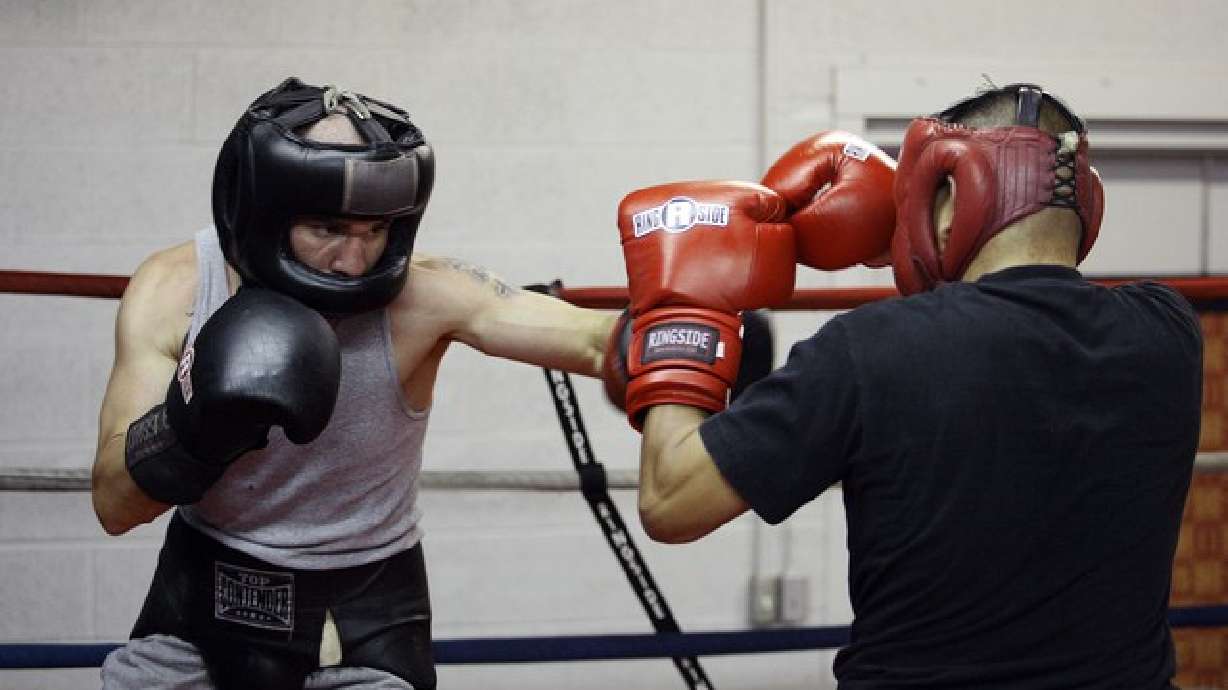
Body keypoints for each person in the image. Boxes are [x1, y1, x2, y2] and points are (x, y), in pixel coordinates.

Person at [613, 84, 1203, 688]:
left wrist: (683, 308)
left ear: (952, 194)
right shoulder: (1168, 333)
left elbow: (671, 500)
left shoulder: (870, 352)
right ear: (1086, 203)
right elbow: (1003, 354)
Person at [90, 77, 617, 690]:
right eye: (328, 230)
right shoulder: (176, 290)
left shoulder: (424, 294)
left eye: (375, 232)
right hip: (203, 599)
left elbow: (593, 340)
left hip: (366, 615)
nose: (354, 260)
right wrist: (197, 427)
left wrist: (701, 332)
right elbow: (113, 504)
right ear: (260, 212)